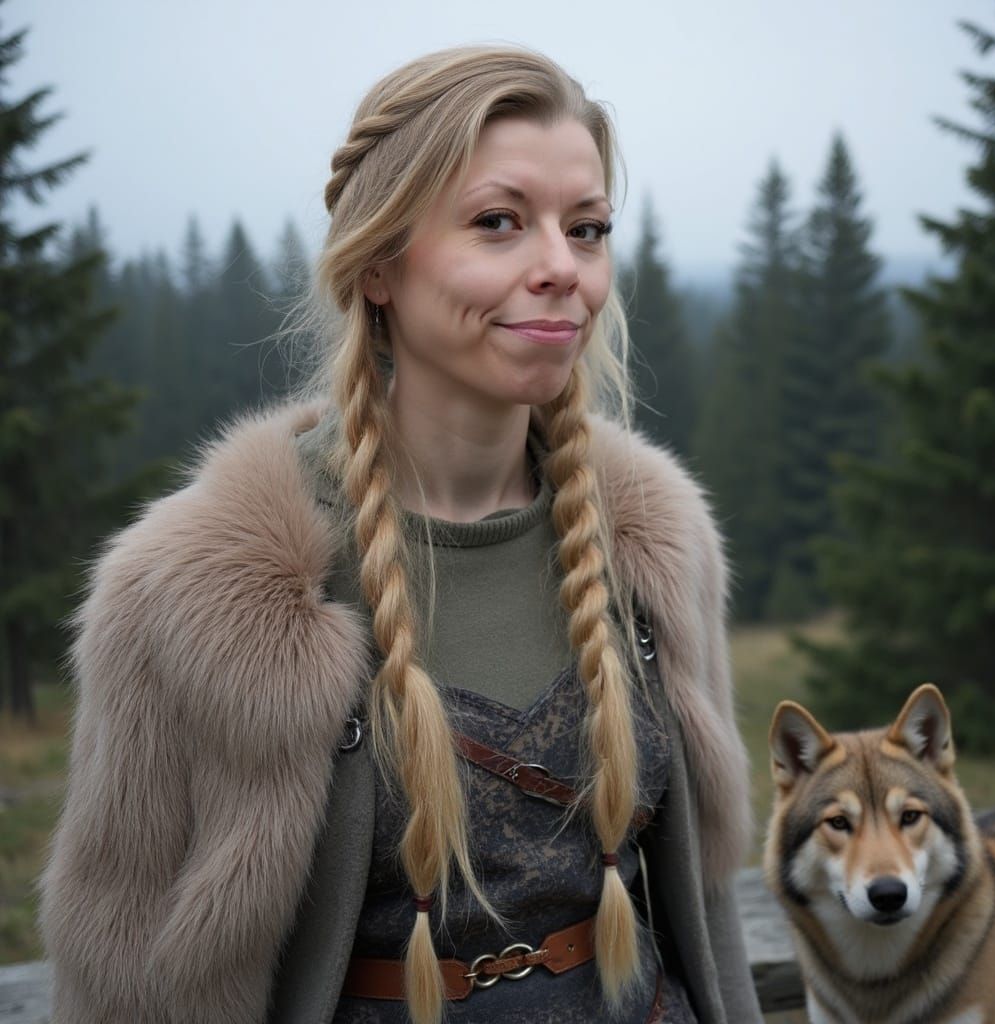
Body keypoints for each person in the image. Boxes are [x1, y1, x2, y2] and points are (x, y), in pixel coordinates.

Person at [40, 46, 763, 1024]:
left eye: (586, 228)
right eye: (498, 223)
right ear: (378, 261)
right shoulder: (188, 592)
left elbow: (706, 912)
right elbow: (121, 975)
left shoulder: (656, 542)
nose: (561, 267)